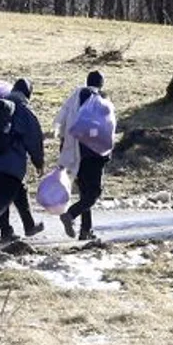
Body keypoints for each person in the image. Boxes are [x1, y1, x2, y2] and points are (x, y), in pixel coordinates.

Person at [0, 79, 45, 244]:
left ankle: (16, 230)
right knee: (4, 197)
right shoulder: (23, 110)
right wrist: (38, 161)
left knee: (17, 191)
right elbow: (33, 138)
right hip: (11, 162)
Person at [58, 71, 114, 241]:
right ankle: (70, 214)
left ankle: (85, 230)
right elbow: (106, 129)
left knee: (84, 192)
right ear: (101, 83)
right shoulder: (100, 102)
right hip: (94, 153)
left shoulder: (74, 98)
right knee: (94, 192)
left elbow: (63, 125)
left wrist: (64, 150)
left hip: (75, 151)